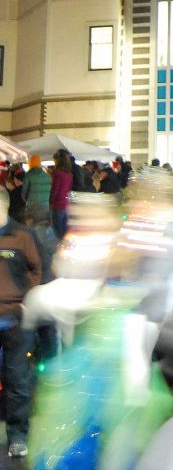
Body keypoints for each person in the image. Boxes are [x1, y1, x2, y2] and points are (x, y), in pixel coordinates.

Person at [0, 186, 42, 458]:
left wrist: (29, 299)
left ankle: (17, 435)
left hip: (15, 318)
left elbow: (39, 269)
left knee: (16, 379)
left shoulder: (23, 236)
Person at [22, 155, 52, 225]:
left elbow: (24, 192)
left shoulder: (29, 175)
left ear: (30, 163)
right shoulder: (47, 176)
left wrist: (26, 201)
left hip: (32, 206)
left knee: (30, 225)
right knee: (42, 224)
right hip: (44, 206)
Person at [50, 149, 73, 239]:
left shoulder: (57, 173)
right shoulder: (69, 174)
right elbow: (69, 189)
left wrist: (51, 201)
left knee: (57, 228)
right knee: (64, 227)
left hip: (57, 204)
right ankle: (65, 243)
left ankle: (59, 244)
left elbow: (55, 190)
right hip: (66, 203)